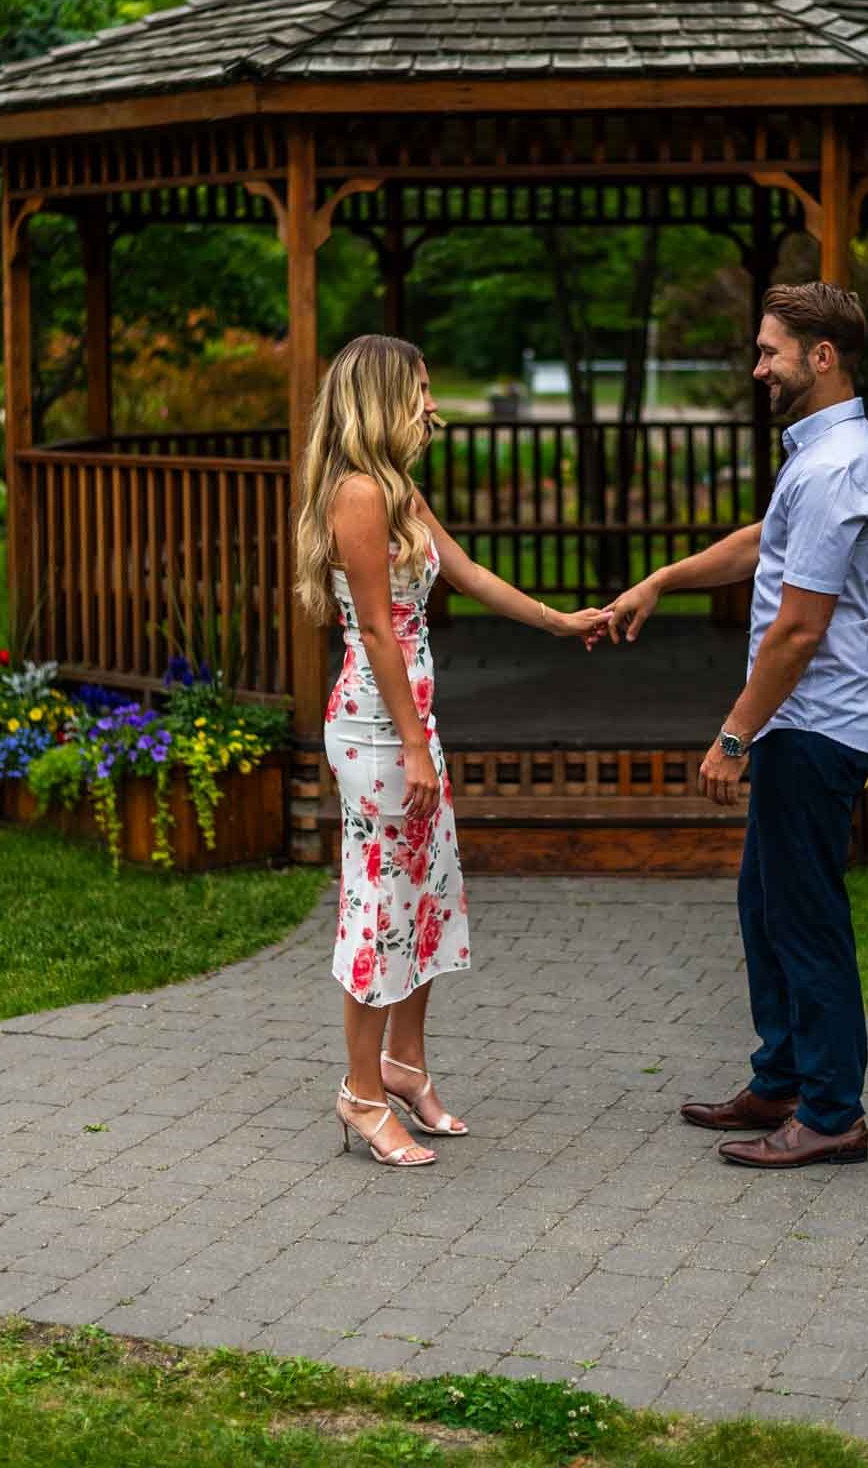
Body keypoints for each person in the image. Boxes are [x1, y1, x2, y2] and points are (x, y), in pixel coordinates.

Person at [602, 283, 868, 1169]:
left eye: (770, 350)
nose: (756, 365)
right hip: (796, 726)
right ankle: (780, 1078)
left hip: (811, 729)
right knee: (764, 906)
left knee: (805, 918)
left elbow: (800, 626)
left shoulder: (839, 462)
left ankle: (832, 1110)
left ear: (822, 357)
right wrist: (661, 579)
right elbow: (763, 543)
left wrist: (733, 734)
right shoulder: (819, 455)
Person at [296, 334, 608, 1169]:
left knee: (427, 893)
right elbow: (375, 630)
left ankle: (404, 1064)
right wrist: (413, 747)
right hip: (375, 728)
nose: (434, 405)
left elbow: (467, 576)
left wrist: (559, 619)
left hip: (410, 725)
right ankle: (360, 1095)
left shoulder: (400, 492)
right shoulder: (358, 495)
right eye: (422, 390)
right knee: (380, 906)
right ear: (385, 396)